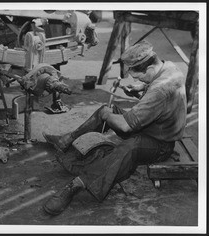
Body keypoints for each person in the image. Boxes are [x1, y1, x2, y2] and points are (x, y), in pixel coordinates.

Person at [42, 40, 187, 216]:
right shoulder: (169, 67)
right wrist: (142, 86)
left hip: (161, 143)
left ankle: (77, 184)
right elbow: (156, 87)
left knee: (129, 146)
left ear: (149, 69)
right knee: (107, 110)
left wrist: (107, 117)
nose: (136, 79)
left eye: (138, 76)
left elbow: (126, 126)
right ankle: (67, 140)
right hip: (156, 125)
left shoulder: (159, 90)